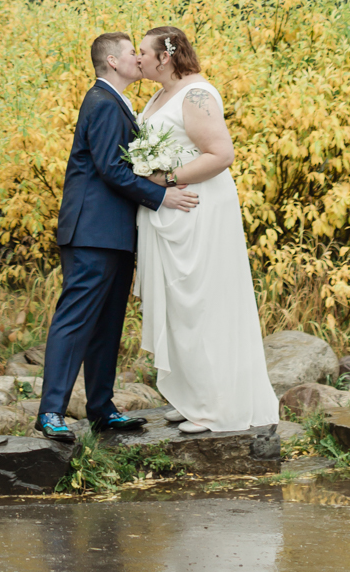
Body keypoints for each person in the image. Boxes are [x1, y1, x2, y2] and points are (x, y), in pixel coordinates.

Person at [36, 32, 200, 442]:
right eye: (132, 52)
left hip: (114, 233)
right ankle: (51, 411)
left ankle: (101, 409)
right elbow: (111, 169)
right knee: (75, 321)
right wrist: (162, 196)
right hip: (92, 231)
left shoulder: (118, 103)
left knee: (107, 323)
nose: (138, 58)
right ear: (112, 61)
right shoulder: (103, 103)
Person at [134, 25, 278, 434]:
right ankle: (192, 396)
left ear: (165, 56)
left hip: (197, 212)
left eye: (143, 51)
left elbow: (221, 154)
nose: (139, 58)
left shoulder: (197, 94)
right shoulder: (160, 94)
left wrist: (164, 180)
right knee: (179, 306)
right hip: (171, 215)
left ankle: (216, 406)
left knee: (201, 304)